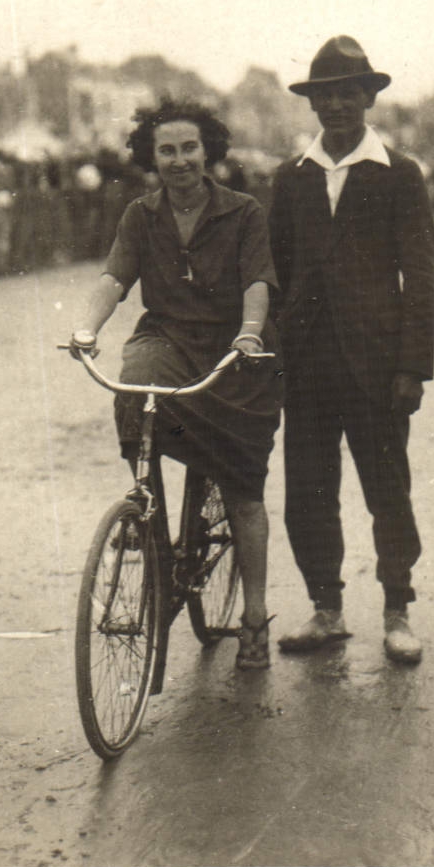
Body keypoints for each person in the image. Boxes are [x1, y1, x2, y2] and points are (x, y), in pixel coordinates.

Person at [69, 99, 284, 669]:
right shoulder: (140, 215)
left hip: (235, 350)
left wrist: (250, 332)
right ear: (152, 156)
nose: (180, 160)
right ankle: (152, 526)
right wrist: (87, 328)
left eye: (190, 148)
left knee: (242, 488)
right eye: (167, 150)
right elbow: (114, 276)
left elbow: (258, 281)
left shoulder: (243, 211)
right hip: (168, 339)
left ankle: (254, 615)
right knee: (134, 388)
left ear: (208, 151)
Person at [268, 36, 434, 663]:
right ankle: (326, 609)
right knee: (309, 492)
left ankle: (397, 610)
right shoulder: (291, 178)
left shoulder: (399, 174)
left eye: (348, 93)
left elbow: (421, 276)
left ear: (369, 98)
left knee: (387, 490)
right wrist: (277, 351)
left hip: (377, 367)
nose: (336, 105)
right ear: (312, 104)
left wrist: (412, 367)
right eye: (325, 96)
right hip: (308, 367)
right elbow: (277, 270)